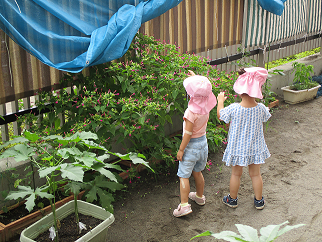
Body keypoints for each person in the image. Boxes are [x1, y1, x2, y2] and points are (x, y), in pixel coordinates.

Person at [217, 67, 271, 210]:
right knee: (255, 174)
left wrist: (220, 100)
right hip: (255, 147)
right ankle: (259, 201)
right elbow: (266, 116)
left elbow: (220, 116)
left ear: (240, 90)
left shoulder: (234, 109)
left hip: (238, 147)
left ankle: (232, 199)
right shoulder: (261, 108)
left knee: (236, 174)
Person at [173, 71, 217, 217]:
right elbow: (202, 91)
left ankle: (184, 205)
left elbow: (188, 134)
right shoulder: (206, 107)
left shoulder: (190, 112)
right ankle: (199, 197)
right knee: (197, 172)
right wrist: (194, 78)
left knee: (183, 176)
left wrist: (181, 150)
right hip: (203, 144)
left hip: (191, 146)